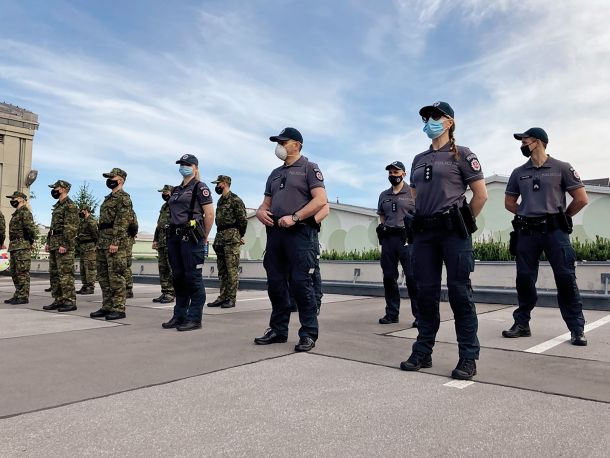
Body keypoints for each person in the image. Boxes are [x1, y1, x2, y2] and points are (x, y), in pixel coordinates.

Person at [400, 102, 488, 380]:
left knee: (460, 294)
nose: (429, 121)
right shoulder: (418, 159)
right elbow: (414, 194)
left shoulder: (462, 154)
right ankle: (423, 351)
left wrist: (461, 223)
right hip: (424, 234)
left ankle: (468, 357)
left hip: (453, 233)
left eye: (435, 116)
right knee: (425, 294)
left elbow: (481, 195)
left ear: (449, 122)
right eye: (426, 117)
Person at [503, 127, 588, 346]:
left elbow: (581, 198)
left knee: (566, 278)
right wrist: (526, 212)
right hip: (527, 232)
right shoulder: (518, 172)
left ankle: (577, 328)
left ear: (538, 142)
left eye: (525, 141)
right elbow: (509, 202)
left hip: (555, 232)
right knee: (524, 279)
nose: (522, 145)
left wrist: (562, 217)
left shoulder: (562, 168)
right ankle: (522, 323)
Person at [254, 127, 327, 352]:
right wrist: (259, 212)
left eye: (283, 142)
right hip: (276, 234)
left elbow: (321, 200)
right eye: (278, 142)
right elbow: (265, 204)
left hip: (300, 234)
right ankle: (278, 330)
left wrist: (295, 217)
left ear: (297, 144)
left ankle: (308, 333)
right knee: (276, 284)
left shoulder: (309, 168)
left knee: (301, 284)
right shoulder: (274, 174)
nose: (279, 146)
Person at [161, 154, 214, 331]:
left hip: (191, 238)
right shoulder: (176, 190)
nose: (184, 166)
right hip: (174, 238)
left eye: (187, 164)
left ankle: (194, 318)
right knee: (178, 278)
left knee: (193, 279)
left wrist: (204, 235)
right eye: (182, 164)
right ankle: (179, 315)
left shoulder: (200, 187)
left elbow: (210, 214)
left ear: (195, 168)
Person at [376, 160, 419, 327]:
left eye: (396, 172)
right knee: (388, 277)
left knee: (412, 278)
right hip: (389, 239)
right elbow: (381, 215)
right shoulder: (383, 195)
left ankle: (419, 315)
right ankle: (392, 313)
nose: (393, 175)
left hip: (407, 238)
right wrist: (384, 227)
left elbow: (419, 213)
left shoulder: (412, 192)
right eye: (391, 173)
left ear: (404, 174)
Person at [90, 168, 133, 320]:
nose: (109, 180)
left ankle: (119, 308)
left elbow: (122, 222)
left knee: (115, 276)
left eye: (112, 177)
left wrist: (116, 242)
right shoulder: (108, 198)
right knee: (103, 277)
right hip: (103, 242)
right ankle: (107, 306)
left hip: (114, 243)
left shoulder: (124, 198)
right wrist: (99, 242)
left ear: (120, 179)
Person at [207, 175, 247, 309]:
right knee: (222, 270)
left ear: (224, 184)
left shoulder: (235, 200)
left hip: (231, 238)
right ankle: (223, 296)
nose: (216, 186)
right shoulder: (220, 201)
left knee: (231, 270)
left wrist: (238, 235)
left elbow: (242, 220)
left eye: (218, 184)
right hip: (220, 237)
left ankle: (231, 298)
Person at [43, 180, 79, 312]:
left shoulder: (70, 205)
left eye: (56, 188)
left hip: (63, 244)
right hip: (54, 243)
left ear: (63, 189)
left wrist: (65, 244)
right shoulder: (58, 206)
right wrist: (48, 242)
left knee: (65, 274)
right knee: (55, 274)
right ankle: (58, 299)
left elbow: (71, 227)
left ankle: (69, 301)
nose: (54, 190)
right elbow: (53, 228)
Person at [288, 202, 329, 315]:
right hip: (292, 234)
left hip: (309, 235)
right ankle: (292, 302)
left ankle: (315, 304)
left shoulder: (312, 187)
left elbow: (325, 208)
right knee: (291, 269)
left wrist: (311, 222)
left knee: (312, 271)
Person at [4, 191, 36, 305]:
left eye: (14, 198)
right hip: (14, 246)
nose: (12, 200)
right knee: (14, 272)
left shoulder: (25, 213)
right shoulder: (17, 213)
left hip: (22, 246)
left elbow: (31, 229)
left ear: (21, 199)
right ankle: (18, 294)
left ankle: (23, 296)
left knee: (22, 272)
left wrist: (31, 241)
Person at [152, 185, 175, 304]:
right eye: (163, 192)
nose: (164, 194)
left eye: (165, 192)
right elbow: (159, 225)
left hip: (170, 240)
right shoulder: (164, 206)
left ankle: (171, 293)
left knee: (171, 267)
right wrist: (155, 239)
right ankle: (165, 291)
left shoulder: (176, 206)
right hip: (161, 241)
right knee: (163, 268)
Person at [76, 206, 98, 295]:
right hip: (83, 247)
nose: (79, 213)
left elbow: (96, 235)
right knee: (83, 268)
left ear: (85, 211)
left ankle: (90, 287)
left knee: (89, 267)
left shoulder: (91, 221)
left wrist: (96, 246)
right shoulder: (83, 222)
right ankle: (85, 285)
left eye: (81, 211)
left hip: (90, 247)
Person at [125, 208, 139, 299]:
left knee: (126, 264)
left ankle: (128, 290)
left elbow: (134, 226)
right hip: (120, 240)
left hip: (127, 240)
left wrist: (130, 236)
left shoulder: (129, 211)